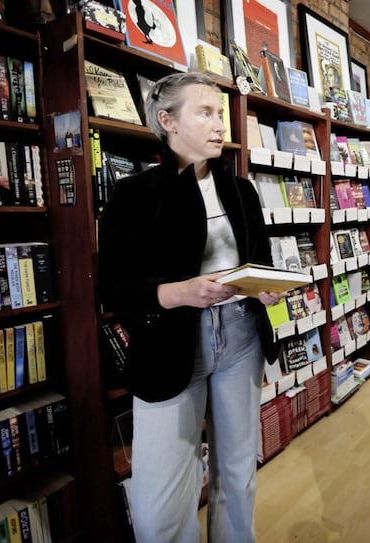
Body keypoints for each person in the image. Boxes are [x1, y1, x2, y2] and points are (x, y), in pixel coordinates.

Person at [98, 72, 282, 543]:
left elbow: (257, 259)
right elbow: (115, 287)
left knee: (238, 473)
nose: (220, 124)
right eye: (205, 112)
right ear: (168, 121)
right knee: (160, 497)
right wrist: (180, 292)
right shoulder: (134, 195)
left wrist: (265, 287)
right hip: (170, 344)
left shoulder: (241, 191)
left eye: (220, 113)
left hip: (241, 337)